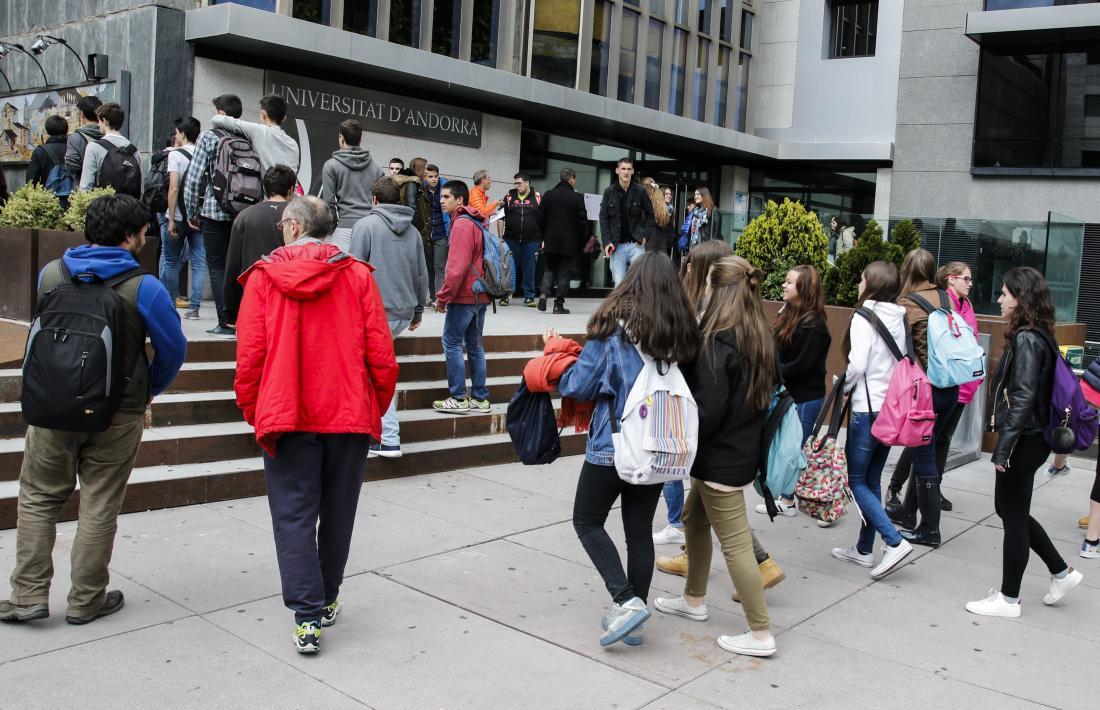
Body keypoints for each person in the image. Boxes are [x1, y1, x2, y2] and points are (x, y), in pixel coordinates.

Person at [0, 194, 186, 625]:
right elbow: (173, 350)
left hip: (50, 405)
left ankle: (27, 594)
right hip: (118, 412)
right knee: (100, 502)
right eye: (142, 233)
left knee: (38, 498)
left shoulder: (51, 274)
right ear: (129, 237)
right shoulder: (146, 288)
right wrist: (148, 392)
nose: (144, 240)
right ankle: (86, 599)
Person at [234, 195, 397, 654]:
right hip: (346, 412)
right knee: (339, 510)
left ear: (289, 227)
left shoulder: (264, 279)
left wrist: (255, 408)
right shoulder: (358, 276)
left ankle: (307, 615)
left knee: (293, 514)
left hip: (288, 412)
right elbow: (381, 356)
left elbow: (249, 357)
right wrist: (372, 406)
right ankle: (324, 599)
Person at [557, 252, 700, 647]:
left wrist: (556, 363)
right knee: (638, 533)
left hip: (612, 445)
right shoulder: (680, 334)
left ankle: (627, 601)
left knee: (586, 520)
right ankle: (633, 620)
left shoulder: (611, 331)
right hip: (657, 445)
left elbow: (578, 387)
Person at [654, 255, 778, 657]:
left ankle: (761, 633)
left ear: (717, 289)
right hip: (737, 451)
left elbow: (706, 410)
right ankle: (693, 601)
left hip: (718, 456)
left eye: (707, 281)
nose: (702, 287)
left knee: (737, 544)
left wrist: (679, 441)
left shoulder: (718, 340)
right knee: (693, 518)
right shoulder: (756, 331)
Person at [966, 267, 1083, 618]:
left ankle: (1009, 599)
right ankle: (1061, 572)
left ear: (1020, 298)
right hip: (1033, 438)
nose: (999, 300)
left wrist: (1003, 448)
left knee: (1012, 514)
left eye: (1004, 294)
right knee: (1011, 510)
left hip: (1024, 438)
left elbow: (1024, 398)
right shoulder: (1041, 334)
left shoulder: (1027, 339)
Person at [829, 261, 915, 578]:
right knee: (871, 479)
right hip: (891, 409)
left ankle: (893, 541)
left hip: (867, 408)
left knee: (856, 481)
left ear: (872, 284)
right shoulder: (899, 317)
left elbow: (858, 363)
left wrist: (844, 384)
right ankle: (865, 549)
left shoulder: (864, 316)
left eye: (862, 278)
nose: (858, 282)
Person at [654, 239, 733, 547]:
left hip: (694, 407)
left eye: (693, 264)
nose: (686, 267)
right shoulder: (701, 303)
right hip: (695, 406)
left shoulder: (709, 313)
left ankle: (678, 525)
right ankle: (685, 534)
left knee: (691, 480)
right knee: (702, 494)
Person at [886, 261, 981, 517]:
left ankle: (923, 502)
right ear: (951, 279)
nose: (970, 284)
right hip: (939, 384)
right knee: (924, 444)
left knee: (937, 443)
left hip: (958, 384)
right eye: (966, 278)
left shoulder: (964, 306)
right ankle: (901, 492)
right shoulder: (942, 301)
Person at [349, 176, 430, 457]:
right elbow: (422, 273)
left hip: (374, 313)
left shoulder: (365, 226)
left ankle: (387, 437)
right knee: (376, 370)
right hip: (403, 311)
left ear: (374, 200)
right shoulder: (413, 232)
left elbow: (353, 274)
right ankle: (378, 434)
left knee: (374, 372)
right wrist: (419, 309)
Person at [753, 265, 832, 516]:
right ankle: (784, 497)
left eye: (790, 282)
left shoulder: (814, 325)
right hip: (789, 394)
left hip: (804, 397)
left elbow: (803, 365)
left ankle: (787, 500)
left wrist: (772, 371)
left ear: (804, 289)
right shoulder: (789, 313)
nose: (784, 286)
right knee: (785, 446)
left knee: (792, 449)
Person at [894, 249, 960, 548]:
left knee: (923, 456)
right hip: (950, 385)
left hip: (926, 390)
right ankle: (910, 515)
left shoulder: (906, 303)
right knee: (929, 451)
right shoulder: (946, 297)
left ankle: (930, 529)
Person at [184, 94, 244, 336]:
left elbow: (195, 177)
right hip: (242, 212)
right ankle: (240, 318)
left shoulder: (210, 137)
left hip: (214, 210)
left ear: (219, 113)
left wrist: (192, 211)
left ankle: (224, 322)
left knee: (217, 267)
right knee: (237, 267)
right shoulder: (246, 137)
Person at [432, 180, 491, 414]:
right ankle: (479, 397)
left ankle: (458, 397)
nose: (441, 200)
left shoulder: (462, 224)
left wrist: (443, 297)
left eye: (446, 197)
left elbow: (456, 267)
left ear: (460, 200)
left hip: (465, 296)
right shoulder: (476, 222)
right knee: (475, 346)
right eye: (441, 197)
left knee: (452, 342)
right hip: (480, 295)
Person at [224, 165, 297, 326]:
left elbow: (233, 265)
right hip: (289, 301)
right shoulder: (299, 218)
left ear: (265, 187)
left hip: (253, 299)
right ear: (291, 189)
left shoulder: (245, 216)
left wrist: (231, 310)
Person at [159, 117, 204, 321]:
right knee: (199, 262)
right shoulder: (205, 155)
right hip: (199, 217)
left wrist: (170, 218)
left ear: (183, 134)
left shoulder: (175, 155)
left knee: (170, 261)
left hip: (177, 216)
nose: (175, 136)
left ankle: (169, 304)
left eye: (177, 132)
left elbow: (174, 188)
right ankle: (194, 308)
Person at [321, 119, 385, 252]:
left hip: (344, 229)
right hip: (371, 227)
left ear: (341, 138)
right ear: (360, 139)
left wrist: (332, 231)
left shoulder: (331, 165)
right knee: (367, 271)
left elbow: (329, 203)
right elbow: (382, 203)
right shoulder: (378, 169)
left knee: (342, 271)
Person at [537, 167, 587, 315]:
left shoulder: (549, 195)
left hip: (551, 240)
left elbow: (539, 218)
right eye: (574, 179)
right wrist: (580, 239)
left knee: (549, 268)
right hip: (569, 243)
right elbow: (582, 222)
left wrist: (544, 236)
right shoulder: (577, 197)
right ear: (571, 179)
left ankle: (543, 295)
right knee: (564, 273)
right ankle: (558, 305)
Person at [210, 94, 299, 173]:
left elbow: (216, 119)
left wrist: (220, 114)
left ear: (263, 114)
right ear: (284, 118)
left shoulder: (258, 131)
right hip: (288, 191)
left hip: (265, 191)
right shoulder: (293, 144)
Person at [599, 157, 654, 286]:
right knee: (619, 285)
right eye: (623, 169)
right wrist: (606, 242)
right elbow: (603, 218)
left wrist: (646, 235)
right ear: (617, 170)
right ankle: (623, 307)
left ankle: (636, 306)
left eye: (629, 169)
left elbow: (651, 215)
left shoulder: (640, 191)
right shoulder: (609, 192)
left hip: (637, 245)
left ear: (633, 171)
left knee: (638, 282)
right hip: (617, 245)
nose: (626, 172)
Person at [78, 102, 140, 196]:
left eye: (99, 121)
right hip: (129, 206)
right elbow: (140, 186)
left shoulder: (93, 147)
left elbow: (86, 186)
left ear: (105, 121)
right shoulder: (133, 149)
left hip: (103, 207)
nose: (98, 124)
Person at [502, 171, 542, 307]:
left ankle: (529, 296)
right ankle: (505, 296)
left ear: (527, 183)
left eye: (519, 183)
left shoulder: (537, 198)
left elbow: (543, 220)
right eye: (516, 183)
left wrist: (543, 239)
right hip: (511, 239)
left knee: (529, 268)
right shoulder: (509, 197)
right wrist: (501, 237)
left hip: (532, 240)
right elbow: (501, 217)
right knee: (509, 268)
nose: (517, 185)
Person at [26, 115, 71, 206]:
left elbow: (31, 182)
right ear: (66, 130)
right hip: (73, 201)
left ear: (47, 130)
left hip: (48, 203)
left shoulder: (40, 151)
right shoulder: (74, 149)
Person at [423, 163, 450, 303]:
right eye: (430, 176)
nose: (433, 179)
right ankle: (433, 297)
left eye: (436, 176)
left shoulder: (445, 189)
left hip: (441, 232)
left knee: (439, 266)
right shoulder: (422, 189)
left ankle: (440, 299)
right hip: (427, 233)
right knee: (429, 267)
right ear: (425, 177)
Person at [64, 95, 103, 184]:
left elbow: (72, 168)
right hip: (108, 188)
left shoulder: (75, 137)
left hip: (84, 189)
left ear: (81, 114)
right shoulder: (108, 134)